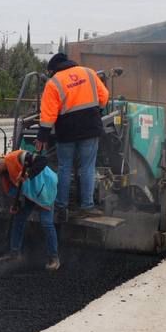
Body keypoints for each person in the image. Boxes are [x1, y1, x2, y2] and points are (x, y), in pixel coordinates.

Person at [36, 52, 109, 219]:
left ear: (53, 69)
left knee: (64, 167)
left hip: (66, 131)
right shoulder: (89, 73)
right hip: (90, 127)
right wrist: (97, 111)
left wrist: (42, 137)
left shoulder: (53, 83)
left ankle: (61, 206)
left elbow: (48, 115)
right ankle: (87, 206)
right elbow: (104, 97)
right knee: (87, 167)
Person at [0, 151, 60, 271]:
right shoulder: (4, 174)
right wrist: (16, 204)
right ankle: (15, 254)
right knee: (18, 219)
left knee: (46, 223)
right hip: (30, 193)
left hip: (44, 188)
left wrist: (27, 173)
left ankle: (54, 258)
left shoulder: (18, 157)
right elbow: (15, 190)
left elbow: (42, 160)